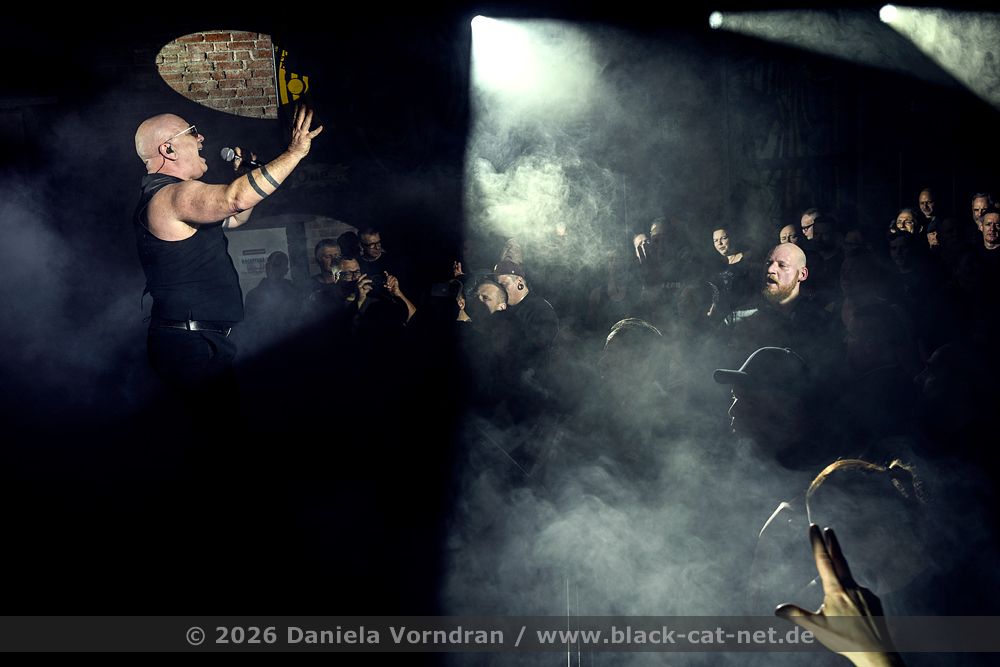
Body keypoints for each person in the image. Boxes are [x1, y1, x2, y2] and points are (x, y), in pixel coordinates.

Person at [132, 107, 323, 424]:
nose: (201, 138)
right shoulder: (171, 195)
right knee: (219, 439)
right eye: (193, 132)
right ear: (168, 149)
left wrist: (242, 176)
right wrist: (294, 153)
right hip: (190, 345)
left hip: (198, 341)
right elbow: (235, 199)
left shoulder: (170, 197)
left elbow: (234, 217)